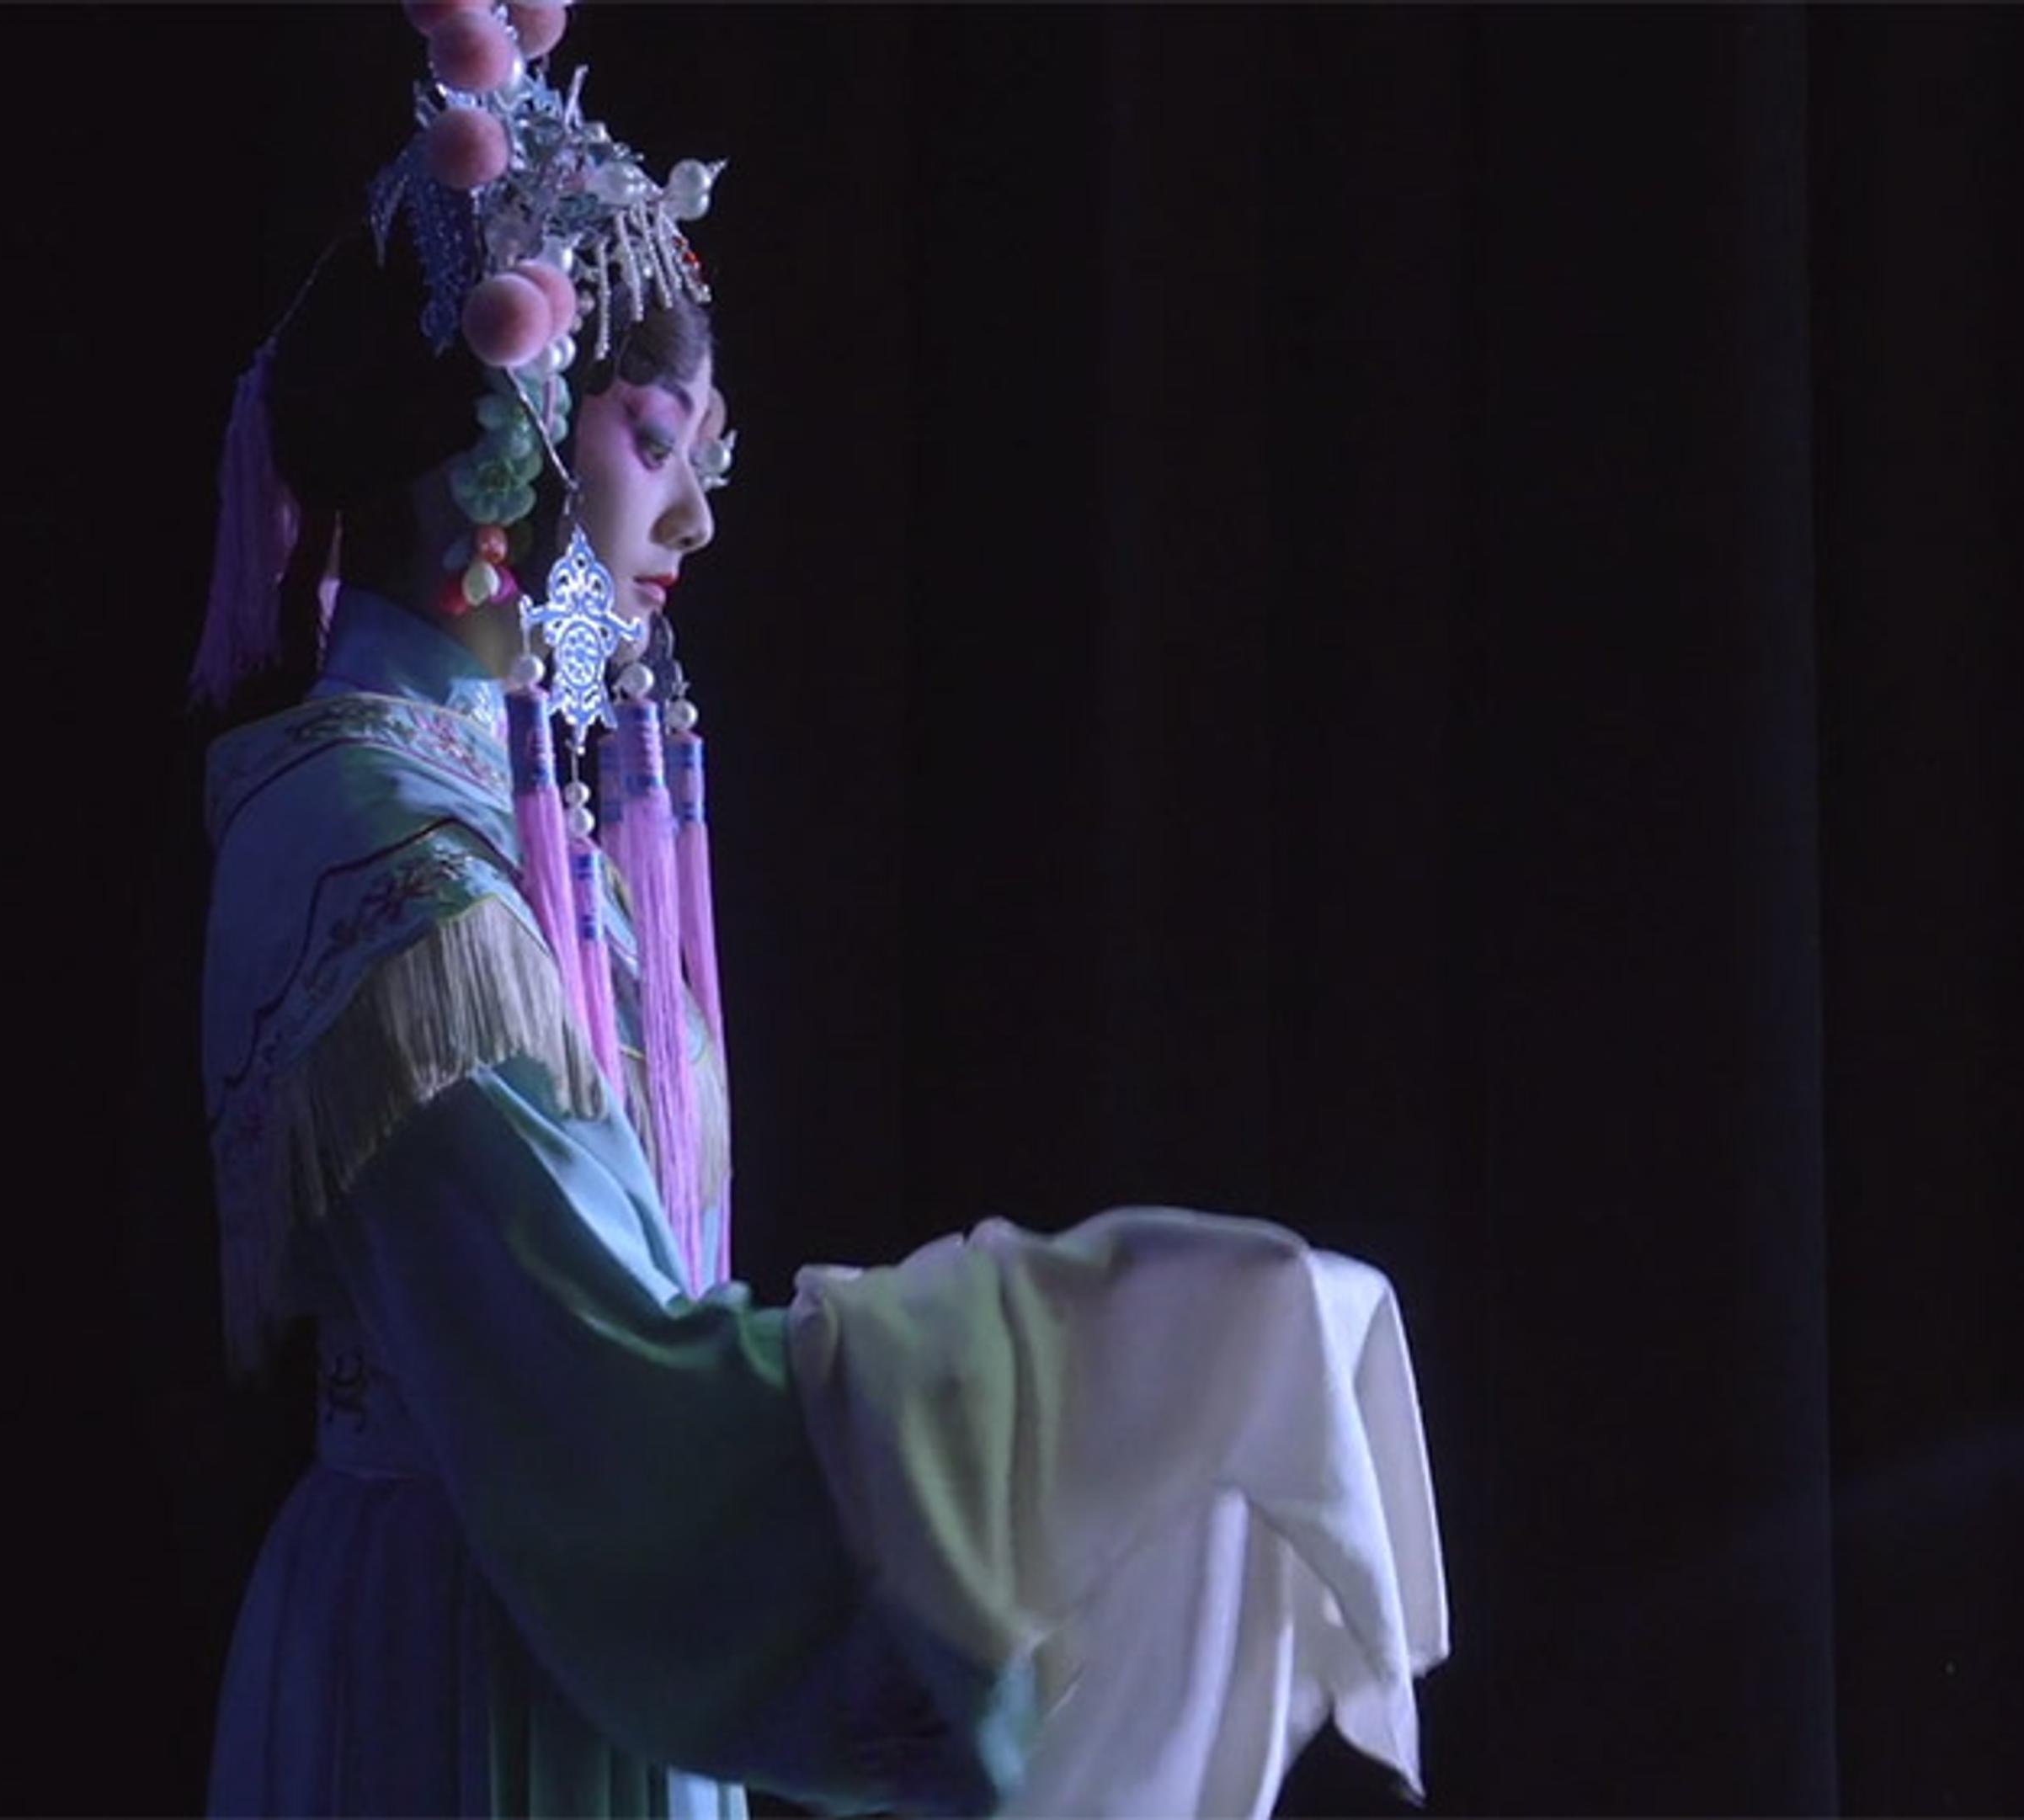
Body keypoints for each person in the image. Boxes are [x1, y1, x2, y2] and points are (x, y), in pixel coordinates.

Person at [190, 9, 1446, 1816]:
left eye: (709, 441)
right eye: (651, 434)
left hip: (577, 1628)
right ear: (498, 431)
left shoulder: (480, 806)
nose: (699, 505)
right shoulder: (369, 839)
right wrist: (1068, 1371)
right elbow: (605, 1405)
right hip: (481, 1655)